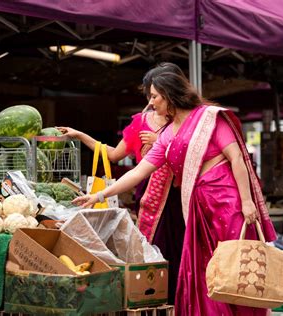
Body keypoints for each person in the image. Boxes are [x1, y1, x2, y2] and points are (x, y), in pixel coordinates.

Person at [73, 69, 277, 315]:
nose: (150, 102)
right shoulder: (167, 134)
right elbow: (138, 173)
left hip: (227, 201)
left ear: (170, 95)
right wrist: (100, 195)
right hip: (197, 205)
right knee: (206, 269)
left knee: (235, 265)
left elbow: (236, 158)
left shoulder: (208, 118)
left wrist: (246, 201)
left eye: (155, 96)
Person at [59, 63, 186, 304]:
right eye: (150, 94)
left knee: (181, 249)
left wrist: (162, 141)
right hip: (149, 194)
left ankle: (181, 301)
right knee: (152, 248)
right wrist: (79, 135)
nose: (151, 101)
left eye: (155, 95)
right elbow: (114, 155)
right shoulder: (140, 122)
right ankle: (156, 298)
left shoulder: (185, 121)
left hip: (180, 195)